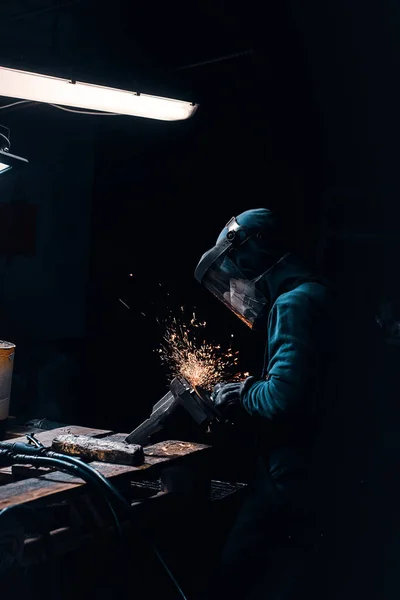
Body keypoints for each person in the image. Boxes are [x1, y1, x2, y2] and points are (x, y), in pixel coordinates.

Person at [194, 208, 333, 599]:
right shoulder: (319, 292)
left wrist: (242, 392)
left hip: (291, 472)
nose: (235, 279)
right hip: (318, 467)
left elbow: (282, 397)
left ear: (255, 249)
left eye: (234, 263)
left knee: (239, 573)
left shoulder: (295, 304)